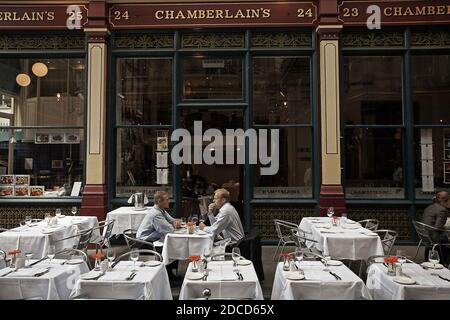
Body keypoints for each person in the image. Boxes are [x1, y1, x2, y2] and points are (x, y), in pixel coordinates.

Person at [136, 191, 181, 279]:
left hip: (151, 240)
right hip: (144, 243)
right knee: (172, 246)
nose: (169, 201)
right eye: (167, 200)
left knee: (173, 244)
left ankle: (169, 273)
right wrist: (173, 224)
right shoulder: (156, 214)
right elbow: (170, 230)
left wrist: (174, 222)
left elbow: (173, 220)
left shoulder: (161, 210)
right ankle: (167, 276)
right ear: (159, 202)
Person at [421, 191, 450, 264]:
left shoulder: (430, 207)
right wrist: (446, 228)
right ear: (445, 201)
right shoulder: (442, 210)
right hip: (434, 237)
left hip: (425, 236)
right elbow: (437, 227)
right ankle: (445, 263)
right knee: (447, 239)